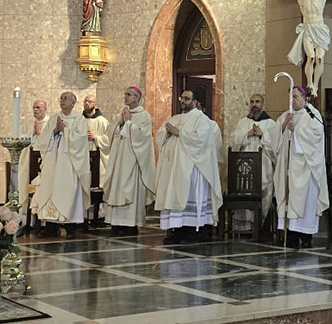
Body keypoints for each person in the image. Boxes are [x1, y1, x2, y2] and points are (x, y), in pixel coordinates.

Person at [155, 89, 223, 243]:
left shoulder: (201, 119)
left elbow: (202, 140)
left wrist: (179, 133)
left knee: (189, 197)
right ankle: (177, 231)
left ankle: (192, 232)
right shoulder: (176, 118)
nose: (182, 101)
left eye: (186, 99)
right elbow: (161, 136)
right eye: (182, 98)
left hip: (192, 169)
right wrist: (167, 134)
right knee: (175, 197)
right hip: (174, 169)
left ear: (194, 102)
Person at [274, 86, 328, 248]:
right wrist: (283, 127)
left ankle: (306, 237)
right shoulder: (285, 115)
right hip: (289, 167)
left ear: (304, 98)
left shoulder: (312, 114)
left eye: (295, 97)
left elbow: (316, 136)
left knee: (306, 202)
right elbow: (273, 139)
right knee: (289, 201)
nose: (292, 101)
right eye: (290, 97)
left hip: (306, 167)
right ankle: (291, 236)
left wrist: (295, 131)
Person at [31, 92, 90, 238]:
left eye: (66, 98)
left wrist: (65, 130)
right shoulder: (54, 118)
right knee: (50, 191)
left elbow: (81, 141)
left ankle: (71, 229)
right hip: (53, 163)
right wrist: (54, 131)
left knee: (69, 192)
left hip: (70, 164)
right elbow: (43, 140)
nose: (62, 101)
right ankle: (51, 228)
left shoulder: (79, 119)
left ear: (73, 103)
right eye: (61, 98)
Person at [103, 86, 156, 236]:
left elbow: (144, 138)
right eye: (125, 94)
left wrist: (128, 123)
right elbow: (110, 134)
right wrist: (120, 122)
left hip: (133, 160)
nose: (125, 97)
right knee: (117, 187)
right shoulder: (121, 114)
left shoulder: (144, 116)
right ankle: (115, 224)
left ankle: (130, 225)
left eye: (129, 94)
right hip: (118, 159)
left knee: (131, 191)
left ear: (137, 98)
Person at [228, 93, 278, 233]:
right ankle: (245, 228)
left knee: (264, 189)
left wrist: (263, 135)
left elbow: (276, 146)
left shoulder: (271, 123)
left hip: (264, 167)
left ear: (263, 104)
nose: (254, 104)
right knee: (243, 189)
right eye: (252, 102)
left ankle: (261, 226)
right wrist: (247, 135)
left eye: (257, 102)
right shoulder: (243, 122)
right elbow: (234, 141)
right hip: (244, 168)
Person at [18, 99, 48, 217]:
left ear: (45, 109)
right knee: (23, 180)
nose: (35, 110)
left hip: (44, 160)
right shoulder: (28, 123)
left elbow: (50, 142)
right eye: (34, 108)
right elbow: (22, 139)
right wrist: (33, 133)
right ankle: (25, 213)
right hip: (28, 159)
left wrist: (40, 133)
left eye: (38, 108)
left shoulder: (50, 123)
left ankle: (41, 215)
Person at [83, 95, 111, 187]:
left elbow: (109, 138)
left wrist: (96, 138)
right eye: (85, 101)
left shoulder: (102, 121)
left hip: (97, 155)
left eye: (90, 101)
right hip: (83, 155)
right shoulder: (79, 121)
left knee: (96, 182)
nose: (87, 103)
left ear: (95, 104)